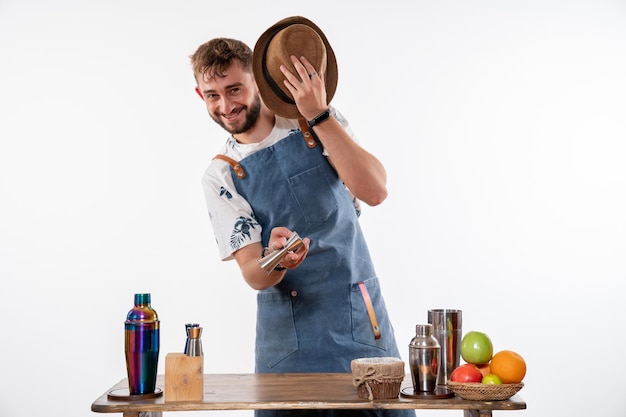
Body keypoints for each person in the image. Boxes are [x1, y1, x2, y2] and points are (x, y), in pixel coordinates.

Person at [190, 16, 415, 417]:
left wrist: (319, 113)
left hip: (359, 324)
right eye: (212, 95)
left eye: (234, 89)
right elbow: (254, 274)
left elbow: (375, 190)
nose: (226, 106)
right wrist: (276, 259)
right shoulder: (221, 174)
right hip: (286, 343)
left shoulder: (311, 122)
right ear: (199, 95)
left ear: (257, 82)